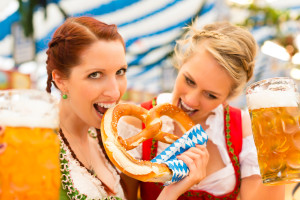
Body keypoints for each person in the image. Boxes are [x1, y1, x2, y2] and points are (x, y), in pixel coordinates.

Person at [43, 16, 208, 200]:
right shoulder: (36, 147)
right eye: (95, 74)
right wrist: (170, 194)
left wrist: (175, 187)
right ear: (60, 80)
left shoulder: (108, 142)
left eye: (120, 72)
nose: (115, 93)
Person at [118, 21, 285, 200]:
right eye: (189, 81)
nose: (191, 100)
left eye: (211, 95)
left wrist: (280, 155)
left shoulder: (245, 130)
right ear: (181, 64)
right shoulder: (137, 123)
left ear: (229, 97)